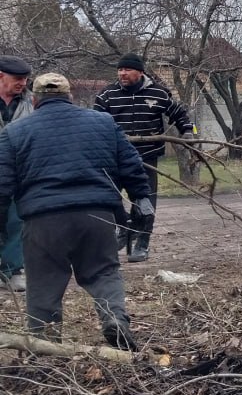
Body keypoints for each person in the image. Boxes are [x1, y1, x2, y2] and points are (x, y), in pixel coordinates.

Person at [0, 73, 153, 350]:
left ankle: (44, 345)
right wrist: (141, 198)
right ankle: (114, 319)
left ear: (34, 101)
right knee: (103, 272)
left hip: (43, 220)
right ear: (70, 97)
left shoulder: (14, 132)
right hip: (96, 215)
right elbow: (131, 163)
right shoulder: (103, 122)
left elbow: (2, 184)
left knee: (44, 282)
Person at [93, 52, 194, 262]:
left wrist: (189, 131)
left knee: (145, 202)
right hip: (115, 158)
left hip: (146, 157)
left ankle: (142, 243)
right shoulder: (107, 95)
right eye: (120, 70)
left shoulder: (158, 93)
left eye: (127, 70)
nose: (122, 73)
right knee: (109, 198)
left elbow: (181, 114)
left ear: (139, 72)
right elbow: (94, 122)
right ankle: (123, 230)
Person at [0, 55, 34, 291]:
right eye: (17, 79)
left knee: (16, 220)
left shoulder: (32, 102)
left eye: (25, 79)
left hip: (17, 171)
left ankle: (12, 270)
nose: (22, 83)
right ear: (1, 77)